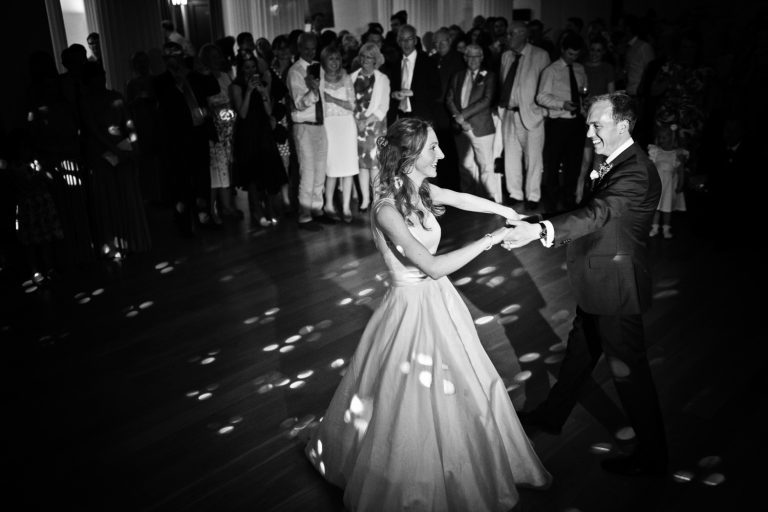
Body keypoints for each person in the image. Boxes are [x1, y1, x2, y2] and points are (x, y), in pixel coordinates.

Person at [305, 117, 551, 511]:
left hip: (439, 301)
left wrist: (508, 211)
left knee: (464, 381)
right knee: (410, 398)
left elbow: (463, 199)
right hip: (410, 306)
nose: (440, 153)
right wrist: (492, 238)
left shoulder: (420, 188)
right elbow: (432, 267)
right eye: (432, 147)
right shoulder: (386, 208)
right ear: (409, 155)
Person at [504, 92, 667, 478]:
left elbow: (598, 213)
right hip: (598, 282)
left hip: (616, 288)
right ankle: (552, 414)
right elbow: (585, 212)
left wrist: (539, 231)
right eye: (589, 124)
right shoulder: (616, 162)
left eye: (598, 125)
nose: (590, 132)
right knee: (578, 357)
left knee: (630, 376)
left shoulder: (636, 170)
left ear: (623, 125)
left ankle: (654, 457)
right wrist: (538, 219)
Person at [497, 22, 550, 209]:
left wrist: (543, 112)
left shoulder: (540, 55)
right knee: (511, 156)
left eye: (511, 34)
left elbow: (546, 85)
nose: (508, 37)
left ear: (523, 35)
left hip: (532, 114)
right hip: (510, 114)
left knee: (533, 158)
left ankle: (533, 196)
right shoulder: (506, 56)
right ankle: (515, 193)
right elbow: (504, 84)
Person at [230, 51, 287, 227]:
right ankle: (257, 212)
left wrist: (263, 91)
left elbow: (269, 111)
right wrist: (249, 91)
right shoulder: (236, 86)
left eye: (253, 66)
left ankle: (270, 209)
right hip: (247, 133)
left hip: (263, 130)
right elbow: (243, 112)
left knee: (267, 170)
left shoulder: (262, 82)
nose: (251, 70)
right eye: (247, 67)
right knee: (253, 174)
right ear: (241, 69)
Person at [536, 32, 588, 212]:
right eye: (570, 54)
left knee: (573, 163)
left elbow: (582, 93)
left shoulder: (580, 69)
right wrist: (561, 104)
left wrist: (584, 108)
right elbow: (541, 97)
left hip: (577, 123)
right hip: (558, 123)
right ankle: (551, 200)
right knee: (553, 162)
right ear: (563, 50)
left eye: (576, 55)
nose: (573, 58)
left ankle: (569, 199)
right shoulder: (551, 70)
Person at [445, 44, 499, 201]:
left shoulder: (489, 76)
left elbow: (486, 100)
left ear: (482, 58)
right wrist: (459, 118)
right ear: (465, 58)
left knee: (486, 166)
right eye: (470, 56)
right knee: (465, 166)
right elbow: (449, 99)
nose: (473, 59)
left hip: (481, 128)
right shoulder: (458, 75)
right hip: (461, 128)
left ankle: (491, 200)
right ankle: (468, 200)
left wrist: (463, 115)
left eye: (477, 56)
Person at [287, 32, 328, 231]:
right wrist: (312, 91)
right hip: (304, 126)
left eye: (313, 48)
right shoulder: (295, 71)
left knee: (321, 170)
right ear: (299, 49)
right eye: (306, 48)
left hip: (320, 125)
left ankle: (317, 210)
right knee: (308, 172)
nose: (310, 52)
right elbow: (299, 103)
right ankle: (304, 215)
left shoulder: (319, 67)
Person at [319, 45, 358, 223]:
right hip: (329, 125)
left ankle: (346, 207)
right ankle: (328, 205)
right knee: (332, 168)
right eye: (330, 59)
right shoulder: (319, 79)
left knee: (348, 168)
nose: (334, 63)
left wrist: (333, 99)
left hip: (346, 124)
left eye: (337, 59)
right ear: (324, 61)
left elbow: (352, 105)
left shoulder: (346, 78)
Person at [350, 42, 390, 211]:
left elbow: (383, 107)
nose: (365, 60)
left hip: (375, 127)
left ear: (376, 60)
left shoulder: (382, 79)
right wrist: (356, 121)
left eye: (370, 57)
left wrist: (365, 122)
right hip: (355, 126)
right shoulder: (352, 77)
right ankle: (364, 200)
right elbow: (348, 103)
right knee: (360, 164)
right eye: (363, 57)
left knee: (374, 165)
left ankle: (376, 199)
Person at [648, 122, 687, 239]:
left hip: (669, 187)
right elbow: (650, 168)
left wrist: (681, 183)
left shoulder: (676, 154)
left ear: (671, 138)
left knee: (667, 208)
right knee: (656, 207)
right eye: (660, 137)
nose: (661, 140)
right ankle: (654, 228)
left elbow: (680, 171)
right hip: (657, 186)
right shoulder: (655, 151)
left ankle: (666, 228)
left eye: (664, 137)